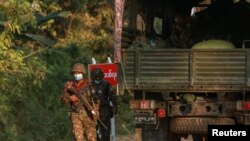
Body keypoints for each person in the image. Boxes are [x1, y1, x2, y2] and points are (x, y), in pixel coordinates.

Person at [60, 63, 99, 141]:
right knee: (78, 138)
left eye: (78, 73)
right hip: (75, 114)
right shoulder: (69, 86)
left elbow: (96, 100)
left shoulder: (89, 85)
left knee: (91, 138)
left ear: (82, 73)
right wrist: (69, 98)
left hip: (88, 114)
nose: (76, 74)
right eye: (74, 73)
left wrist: (96, 110)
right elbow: (62, 100)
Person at [90, 68, 118, 141]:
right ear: (92, 77)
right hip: (92, 110)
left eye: (98, 77)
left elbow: (113, 96)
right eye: (95, 77)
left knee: (105, 132)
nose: (97, 79)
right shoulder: (89, 86)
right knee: (92, 132)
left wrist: (115, 107)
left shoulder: (106, 84)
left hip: (104, 109)